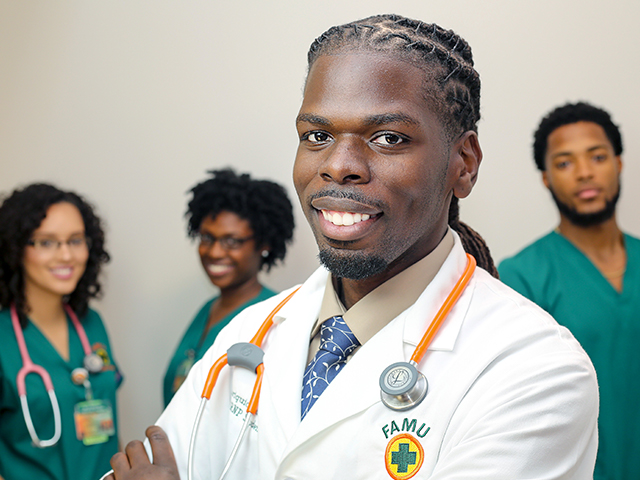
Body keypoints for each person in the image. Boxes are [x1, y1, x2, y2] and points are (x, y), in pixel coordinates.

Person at [108, 15, 598, 480]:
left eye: (387, 138)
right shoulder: (250, 335)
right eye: (317, 135)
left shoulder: (535, 370)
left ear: (463, 163)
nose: (339, 165)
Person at [499, 102, 640, 479]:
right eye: (564, 163)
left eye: (597, 156)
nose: (584, 173)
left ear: (619, 163)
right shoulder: (520, 278)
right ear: (546, 178)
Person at [0, 183, 120, 480]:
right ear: (15, 247)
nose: (66, 255)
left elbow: (109, 426)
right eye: (46, 242)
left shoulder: (91, 324)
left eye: (75, 240)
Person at [163, 168, 295, 406]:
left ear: (264, 244)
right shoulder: (209, 309)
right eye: (207, 238)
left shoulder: (276, 319)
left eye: (232, 241)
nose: (214, 252)